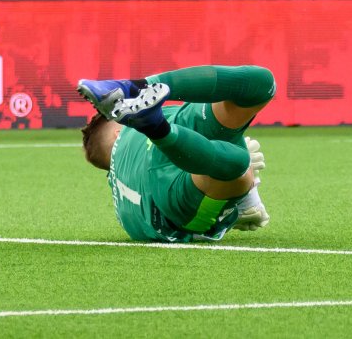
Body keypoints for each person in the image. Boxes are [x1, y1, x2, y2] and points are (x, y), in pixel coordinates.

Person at [77, 65, 276, 243]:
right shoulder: (126, 145)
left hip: (166, 200)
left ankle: (156, 128)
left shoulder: (122, 204)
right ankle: (134, 87)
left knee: (238, 163)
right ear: (119, 130)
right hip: (175, 148)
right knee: (261, 84)